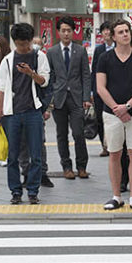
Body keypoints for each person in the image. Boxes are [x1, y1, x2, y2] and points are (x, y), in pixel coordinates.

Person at [95, 19, 132, 212]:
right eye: (120, 32)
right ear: (113, 36)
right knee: (114, 153)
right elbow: (100, 87)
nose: (125, 34)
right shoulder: (105, 58)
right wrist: (116, 108)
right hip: (111, 114)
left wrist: (126, 107)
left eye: (127, 31)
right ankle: (116, 196)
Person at [0, 23, 50, 205]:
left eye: (26, 44)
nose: (23, 47)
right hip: (12, 113)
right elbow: (1, 87)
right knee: (13, 156)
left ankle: (33, 191)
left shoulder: (40, 57)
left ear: (30, 40)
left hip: (33, 111)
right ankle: (15, 191)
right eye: (19, 44)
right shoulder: (7, 60)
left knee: (36, 154)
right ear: (14, 42)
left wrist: (30, 73)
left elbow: (44, 81)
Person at [46, 16, 91, 180]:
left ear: (73, 32)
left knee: (78, 133)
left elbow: (86, 75)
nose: (66, 33)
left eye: (69, 31)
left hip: (77, 98)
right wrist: (49, 101)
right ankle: (66, 166)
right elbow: (50, 77)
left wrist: (86, 97)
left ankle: (82, 166)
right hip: (59, 98)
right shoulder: (51, 52)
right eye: (63, 30)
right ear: (58, 32)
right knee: (61, 134)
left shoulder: (80, 50)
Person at [91, 22, 115, 157]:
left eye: (108, 30)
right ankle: (104, 146)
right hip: (100, 90)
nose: (106, 32)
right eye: (104, 30)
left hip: (114, 90)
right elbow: (94, 71)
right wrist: (91, 91)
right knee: (100, 119)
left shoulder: (119, 48)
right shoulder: (99, 50)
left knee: (114, 118)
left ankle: (114, 145)